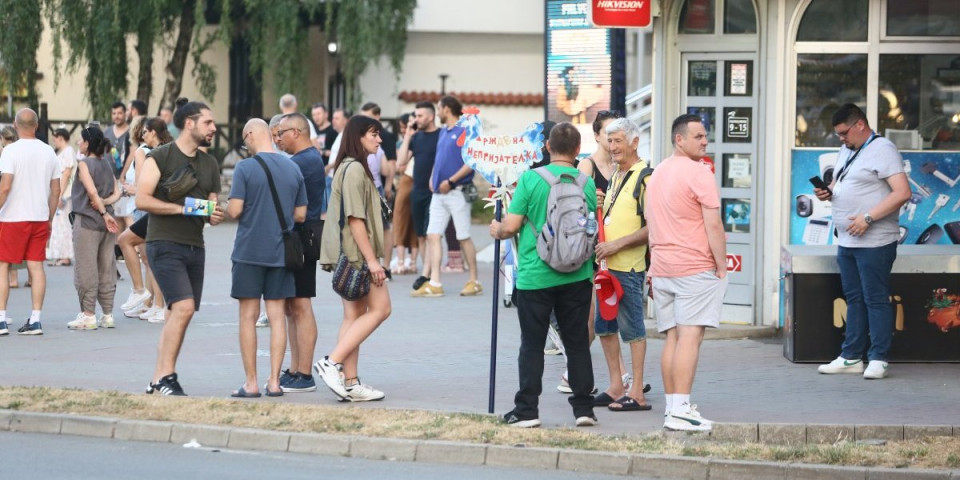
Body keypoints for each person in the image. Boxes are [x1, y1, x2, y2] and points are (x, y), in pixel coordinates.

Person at [488, 122, 598, 428]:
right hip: (577, 275)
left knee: (532, 345)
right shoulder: (586, 183)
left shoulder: (530, 179)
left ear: (547, 147)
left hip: (536, 276)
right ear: (578, 150)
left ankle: (527, 411)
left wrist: (497, 229)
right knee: (576, 343)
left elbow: (510, 226)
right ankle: (584, 409)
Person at [645, 114, 728, 431]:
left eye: (705, 136)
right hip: (693, 266)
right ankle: (680, 409)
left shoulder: (659, 172)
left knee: (673, 338)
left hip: (663, 267)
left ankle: (672, 408)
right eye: (698, 136)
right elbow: (714, 224)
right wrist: (720, 265)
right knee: (690, 338)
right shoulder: (700, 172)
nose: (704, 141)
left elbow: (652, 221)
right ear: (679, 139)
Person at [815, 104, 910, 380]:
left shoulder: (883, 149)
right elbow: (846, 184)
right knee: (854, 298)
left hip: (875, 241)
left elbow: (903, 192)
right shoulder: (848, 149)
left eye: (844, 133)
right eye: (838, 135)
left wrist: (868, 218)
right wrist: (828, 192)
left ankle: (879, 358)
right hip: (847, 239)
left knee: (875, 299)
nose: (841, 139)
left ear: (860, 125)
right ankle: (851, 356)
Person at [136, 98, 224, 396]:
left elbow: (211, 205)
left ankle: (157, 379)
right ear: (190, 123)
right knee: (183, 308)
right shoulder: (160, 157)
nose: (214, 128)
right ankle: (167, 377)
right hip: (163, 243)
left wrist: (214, 212)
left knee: (178, 313)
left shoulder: (210, 163)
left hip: (195, 246)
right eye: (208, 122)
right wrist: (181, 209)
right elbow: (142, 200)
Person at [227, 118, 307, 398]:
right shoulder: (293, 167)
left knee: (248, 317)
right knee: (276, 317)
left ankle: (250, 383)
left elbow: (235, 210)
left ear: (250, 136)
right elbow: (300, 215)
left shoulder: (245, 168)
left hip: (249, 251)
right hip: (280, 253)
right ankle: (274, 381)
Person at [314, 115, 391, 402]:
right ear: (358, 136)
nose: (379, 139)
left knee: (353, 315)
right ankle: (331, 362)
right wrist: (373, 262)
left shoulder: (347, 167)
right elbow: (356, 220)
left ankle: (351, 381)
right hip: (358, 255)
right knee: (382, 309)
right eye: (374, 134)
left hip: (350, 253)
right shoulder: (355, 169)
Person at [592, 118, 652, 412]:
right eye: (610, 140)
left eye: (618, 141)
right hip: (606, 267)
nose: (613, 147)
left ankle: (637, 391)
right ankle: (617, 385)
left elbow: (654, 228)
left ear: (634, 142)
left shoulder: (646, 177)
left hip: (628, 266)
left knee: (633, 329)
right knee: (604, 327)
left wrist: (616, 244)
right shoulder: (617, 174)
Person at [276, 112, 327, 392]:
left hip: (301, 238)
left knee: (301, 305)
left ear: (296, 132)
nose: (278, 139)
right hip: (299, 238)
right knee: (292, 306)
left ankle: (304, 373)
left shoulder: (304, 161)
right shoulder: (307, 158)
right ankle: (295, 369)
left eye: (281, 133)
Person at [412, 96, 482, 297]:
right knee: (433, 234)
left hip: (457, 191)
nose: (438, 112)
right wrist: (433, 178)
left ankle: (474, 280)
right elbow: (439, 159)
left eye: (440, 109)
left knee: (463, 236)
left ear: (447, 109)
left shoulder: (465, 131)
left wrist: (450, 181)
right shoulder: (444, 132)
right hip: (438, 193)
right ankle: (434, 282)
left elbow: (471, 162)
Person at [0, 108, 62, 336]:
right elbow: (56, 190)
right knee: (36, 266)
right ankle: (35, 319)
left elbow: (5, 186)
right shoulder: (49, 152)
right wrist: (49, 217)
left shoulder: (9, 151)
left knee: (3, 266)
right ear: (36, 126)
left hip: (12, 217)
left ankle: (1, 320)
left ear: (15, 125)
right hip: (38, 216)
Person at [118, 117, 174, 323]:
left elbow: (145, 184)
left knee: (153, 257)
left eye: (146, 131)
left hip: (155, 210)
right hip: (156, 209)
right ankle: (151, 300)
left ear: (152, 132)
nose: (143, 135)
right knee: (149, 256)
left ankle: (153, 299)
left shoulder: (155, 154)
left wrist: (134, 189)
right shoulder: (163, 151)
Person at [66, 126, 122, 330]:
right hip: (108, 225)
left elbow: (90, 192)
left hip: (88, 221)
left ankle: (88, 314)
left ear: (87, 143)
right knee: (107, 266)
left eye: (80, 140)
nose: (78, 143)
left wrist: (102, 210)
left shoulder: (84, 164)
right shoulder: (106, 164)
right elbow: (118, 193)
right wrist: (106, 204)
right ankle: (107, 314)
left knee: (86, 267)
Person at [397, 102, 439, 291]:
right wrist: (407, 136)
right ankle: (427, 272)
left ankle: (428, 274)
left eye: (420, 116)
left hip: (434, 192)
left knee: (432, 235)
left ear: (431, 116)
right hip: (417, 190)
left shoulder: (441, 136)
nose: (416, 119)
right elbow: (401, 162)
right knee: (421, 236)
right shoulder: (416, 138)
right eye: (415, 116)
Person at [360, 102, 397, 278]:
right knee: (372, 228)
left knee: (384, 228)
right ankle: (372, 264)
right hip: (373, 189)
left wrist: (389, 185)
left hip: (378, 190)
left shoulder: (385, 138)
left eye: (367, 116)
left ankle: (385, 266)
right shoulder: (367, 139)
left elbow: (390, 166)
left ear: (377, 116)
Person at [391, 113, 417, 274]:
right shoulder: (415, 138)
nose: (403, 129)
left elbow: (400, 165)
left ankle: (403, 261)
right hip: (416, 180)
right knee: (412, 222)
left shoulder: (412, 140)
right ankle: (410, 261)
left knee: (400, 219)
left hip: (408, 180)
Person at [48, 129, 76, 266]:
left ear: (60, 138)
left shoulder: (68, 151)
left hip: (65, 194)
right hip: (62, 192)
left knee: (63, 224)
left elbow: (67, 173)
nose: (55, 142)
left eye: (55, 139)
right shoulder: (63, 152)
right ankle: (60, 253)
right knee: (59, 224)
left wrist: (59, 194)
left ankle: (65, 254)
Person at [103, 101, 129, 178]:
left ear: (125, 114)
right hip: (105, 177)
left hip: (124, 179)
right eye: (114, 113)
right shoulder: (106, 131)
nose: (116, 116)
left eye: (119, 113)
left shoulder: (131, 132)